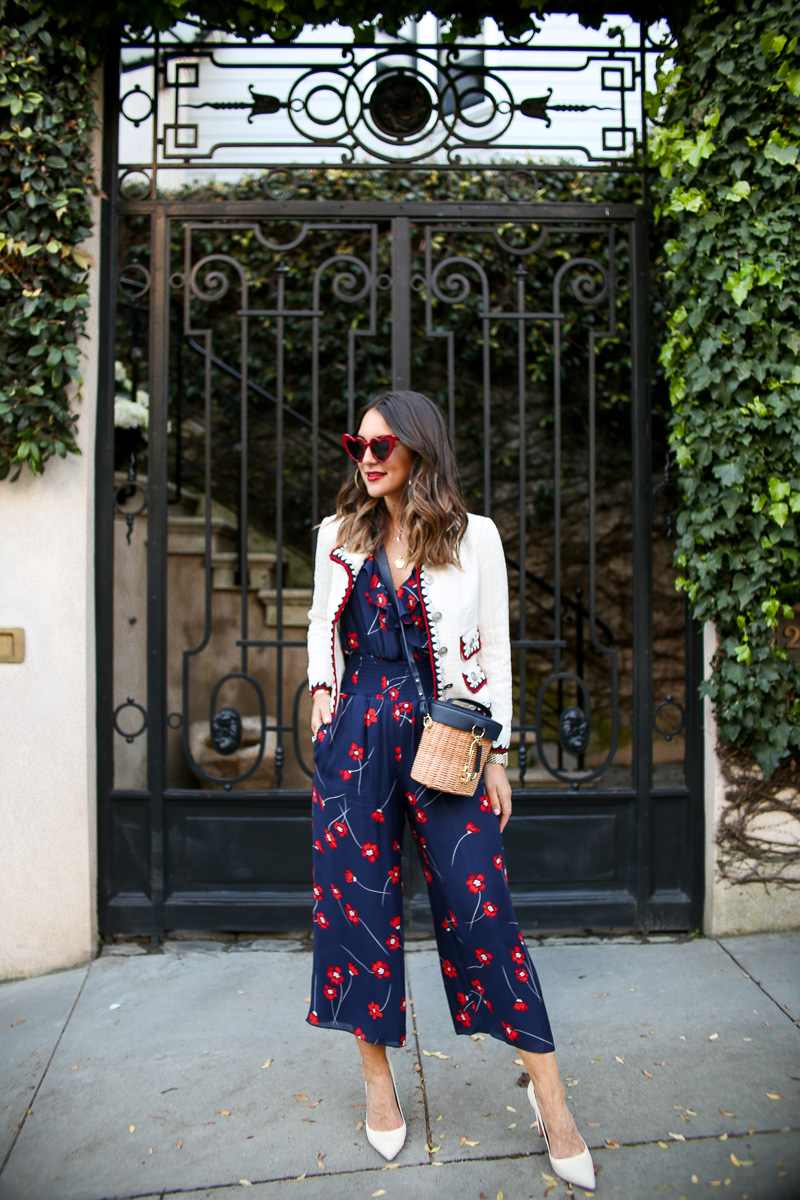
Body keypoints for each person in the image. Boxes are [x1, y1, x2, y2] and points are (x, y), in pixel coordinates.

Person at [306, 390, 595, 1191]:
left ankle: (551, 1098)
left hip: (448, 735)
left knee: (484, 912)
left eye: (380, 445)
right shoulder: (338, 536)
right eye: (355, 445)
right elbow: (320, 631)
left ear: (419, 450)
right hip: (358, 736)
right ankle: (376, 1082)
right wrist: (325, 705)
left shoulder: (476, 539)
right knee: (356, 909)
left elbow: (495, 648)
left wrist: (498, 751)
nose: (365, 458)